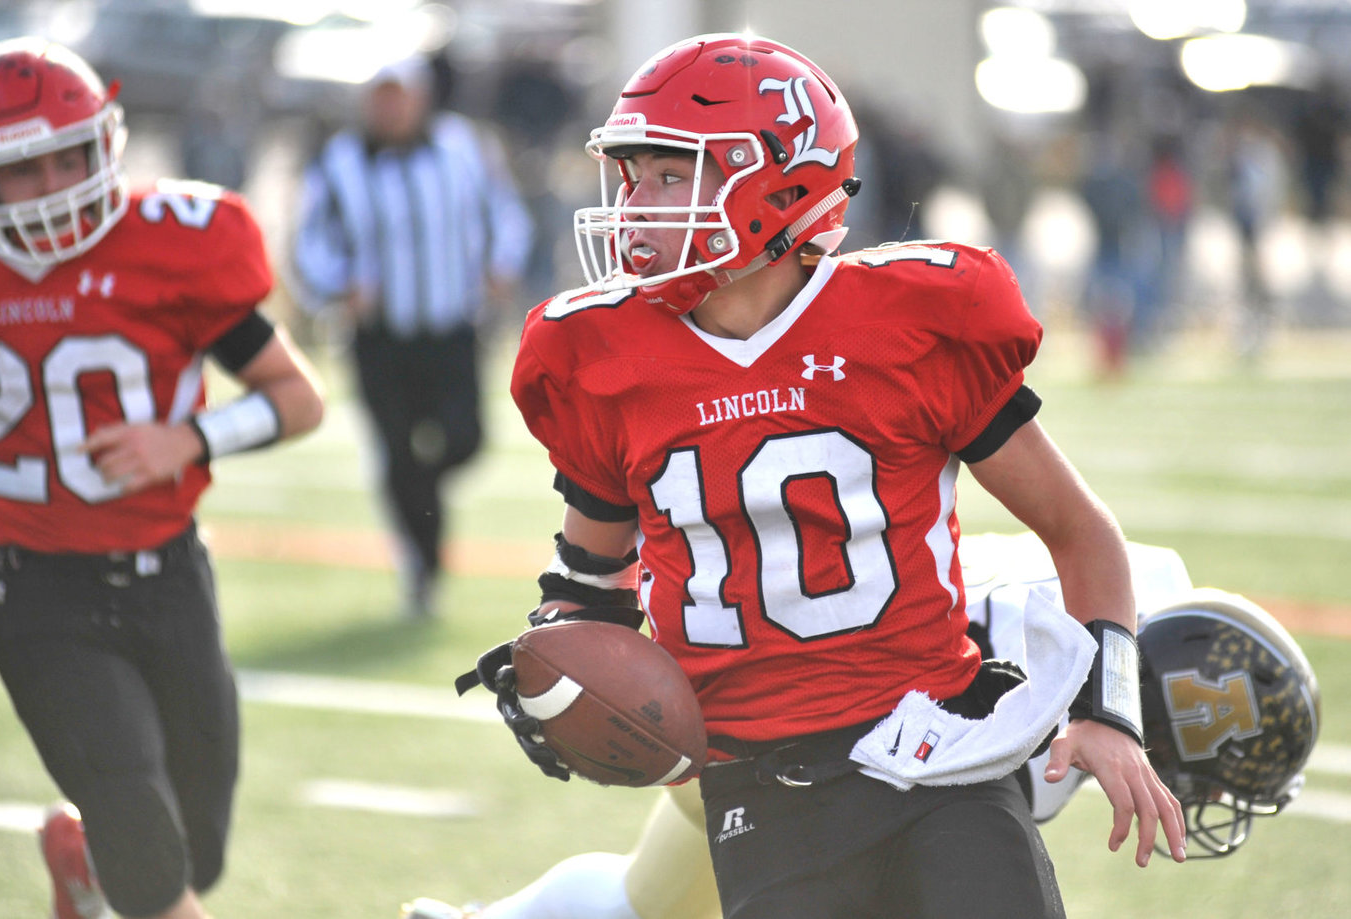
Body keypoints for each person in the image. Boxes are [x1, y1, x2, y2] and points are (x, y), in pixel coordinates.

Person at [468, 33, 1188, 919]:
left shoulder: (910, 323)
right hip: (761, 787)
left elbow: (1082, 534)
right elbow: (590, 580)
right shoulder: (599, 356)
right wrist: (560, 656)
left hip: (940, 755)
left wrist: (1106, 713)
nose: (636, 206)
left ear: (777, 180)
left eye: (669, 176)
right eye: (632, 177)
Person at [0, 38, 325, 919]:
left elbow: (297, 399)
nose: (52, 188)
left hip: (170, 572)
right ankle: (113, 861)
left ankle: (81, 863)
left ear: (105, 143)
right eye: (22, 169)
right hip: (39, 589)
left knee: (198, 844)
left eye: (68, 158)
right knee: (147, 851)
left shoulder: (177, 243)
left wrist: (188, 438)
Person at [405, 533, 1322, 919]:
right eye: (1219, 771)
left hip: (806, 721)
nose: (1209, 796)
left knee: (651, 904)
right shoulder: (1041, 682)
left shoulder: (1132, 606)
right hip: (782, 746)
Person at [292, 52, 534, 618]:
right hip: (380, 337)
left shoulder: (464, 147)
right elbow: (311, 242)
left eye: (400, 95)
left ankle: (416, 492)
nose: (392, 107)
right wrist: (338, 284)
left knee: (464, 441)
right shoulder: (341, 161)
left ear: (421, 97)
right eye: (381, 96)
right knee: (398, 448)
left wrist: (502, 264)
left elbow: (504, 214)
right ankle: (422, 568)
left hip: (451, 329)